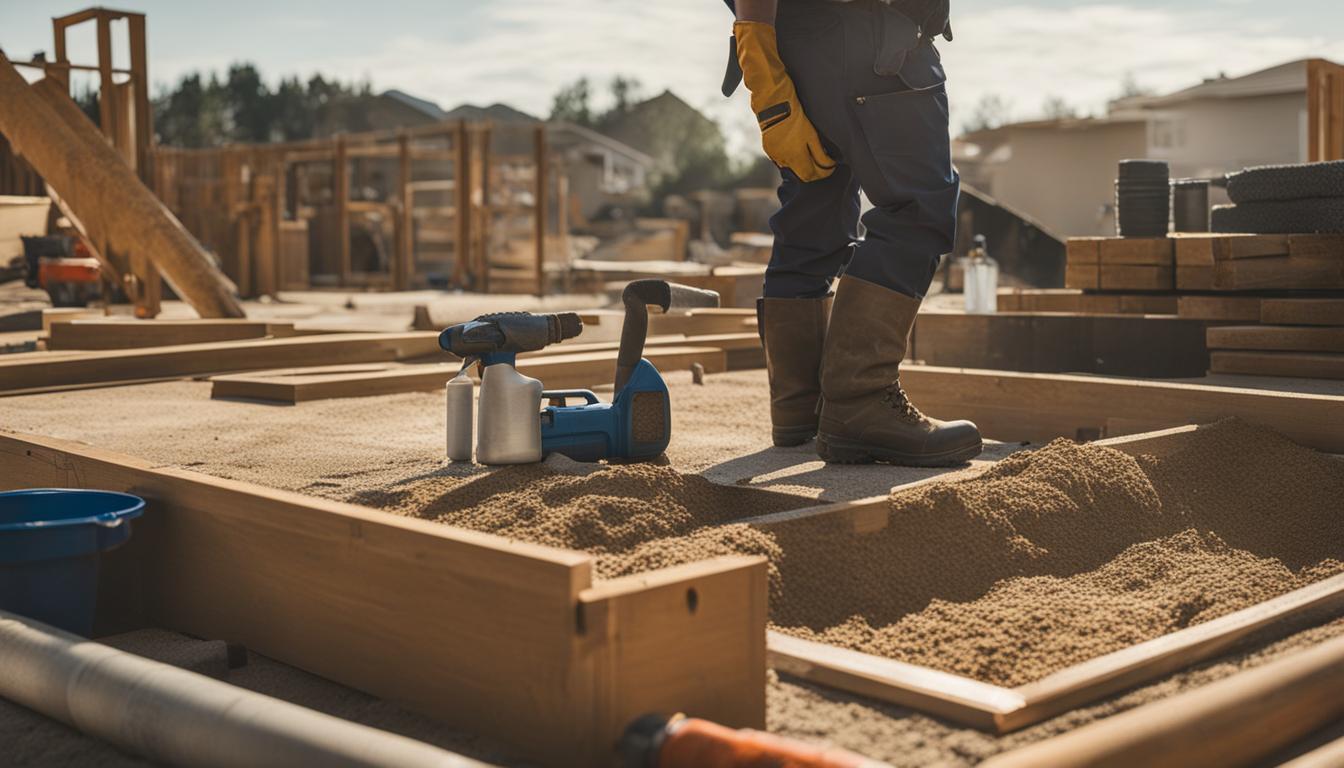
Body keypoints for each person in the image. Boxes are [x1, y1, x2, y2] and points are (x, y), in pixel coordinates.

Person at [724, 0, 982, 466]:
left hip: (802, 43)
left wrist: (759, 45)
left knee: (814, 220)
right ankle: (858, 401)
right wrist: (755, 34)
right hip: (867, 39)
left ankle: (800, 408)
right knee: (918, 210)